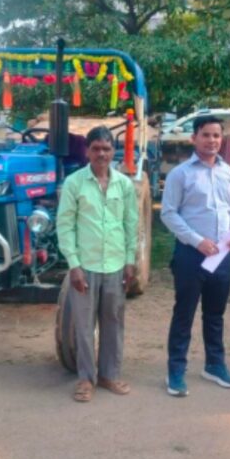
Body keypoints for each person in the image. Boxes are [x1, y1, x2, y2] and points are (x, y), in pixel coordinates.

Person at [161, 115, 230, 397]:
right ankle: (175, 371)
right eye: (206, 135)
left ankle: (215, 365)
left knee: (215, 313)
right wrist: (197, 242)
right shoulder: (180, 174)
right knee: (184, 313)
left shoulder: (228, 172)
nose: (212, 140)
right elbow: (168, 213)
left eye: (216, 135)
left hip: (222, 255)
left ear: (222, 139)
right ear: (194, 138)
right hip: (190, 255)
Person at [57, 126, 138, 403]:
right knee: (83, 326)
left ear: (113, 151)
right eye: (96, 149)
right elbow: (65, 226)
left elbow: (131, 224)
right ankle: (85, 378)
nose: (101, 154)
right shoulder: (74, 183)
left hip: (115, 264)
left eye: (106, 148)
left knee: (113, 322)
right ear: (87, 151)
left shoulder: (124, 185)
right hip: (86, 266)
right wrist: (74, 265)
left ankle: (109, 374)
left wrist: (130, 260)